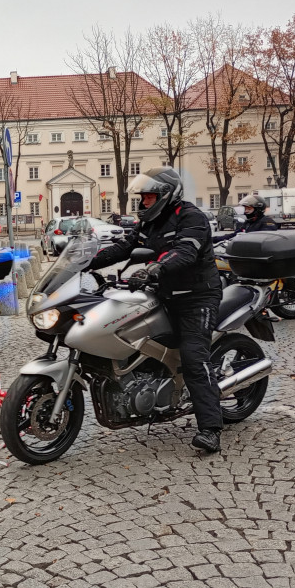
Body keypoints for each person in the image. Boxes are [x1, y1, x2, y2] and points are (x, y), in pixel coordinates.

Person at [85, 167, 224, 453]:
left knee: (194, 358)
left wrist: (155, 267)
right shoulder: (148, 223)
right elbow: (124, 247)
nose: (143, 203)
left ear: (165, 195)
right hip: (163, 295)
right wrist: (86, 262)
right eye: (142, 197)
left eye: (148, 197)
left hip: (197, 298)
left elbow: (186, 251)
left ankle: (210, 428)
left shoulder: (192, 217)